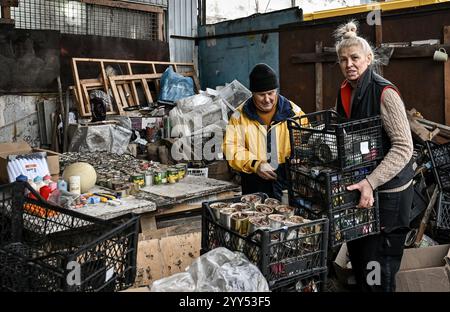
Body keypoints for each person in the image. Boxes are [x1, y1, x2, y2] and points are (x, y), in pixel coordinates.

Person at [334, 21, 415, 292]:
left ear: (368, 59)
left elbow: (404, 147)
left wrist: (371, 181)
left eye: (355, 58)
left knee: (378, 265)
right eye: (343, 59)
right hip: (365, 189)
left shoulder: (384, 93)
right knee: (360, 257)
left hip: (389, 192)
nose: (349, 64)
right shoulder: (346, 90)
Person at [223, 63, 306, 200]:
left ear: (276, 90)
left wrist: (300, 157)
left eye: (271, 93)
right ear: (252, 93)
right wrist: (255, 164)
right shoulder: (239, 116)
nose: (267, 99)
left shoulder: (295, 113)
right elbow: (231, 148)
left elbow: (305, 143)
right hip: (254, 183)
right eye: (261, 95)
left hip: (287, 181)